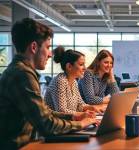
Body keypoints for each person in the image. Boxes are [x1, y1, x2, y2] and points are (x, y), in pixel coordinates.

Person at [0, 18, 97, 149]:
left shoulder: (20, 70)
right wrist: (82, 124)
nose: (51, 54)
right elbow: (46, 125)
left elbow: (44, 113)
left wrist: (74, 116)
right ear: (34, 47)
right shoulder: (22, 74)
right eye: (47, 47)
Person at [44, 46, 101, 114]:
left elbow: (80, 104)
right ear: (69, 66)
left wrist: (92, 108)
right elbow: (62, 111)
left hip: (67, 122)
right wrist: (84, 114)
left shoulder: (74, 82)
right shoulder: (60, 81)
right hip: (55, 123)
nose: (85, 68)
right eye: (81, 64)